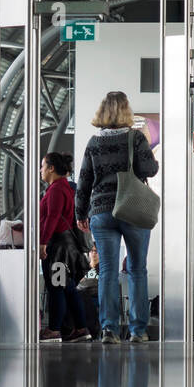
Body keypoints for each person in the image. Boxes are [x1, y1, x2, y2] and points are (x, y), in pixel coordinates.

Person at [75, 91, 159, 344]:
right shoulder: (135, 138)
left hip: (101, 211)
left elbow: (84, 180)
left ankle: (109, 329)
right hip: (132, 208)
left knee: (108, 272)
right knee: (136, 270)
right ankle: (137, 330)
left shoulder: (93, 142)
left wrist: (80, 213)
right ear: (126, 111)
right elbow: (150, 170)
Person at [39, 152, 91, 343]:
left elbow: (53, 216)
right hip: (65, 246)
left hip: (58, 248)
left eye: (43, 166)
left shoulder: (56, 189)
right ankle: (81, 328)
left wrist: (43, 242)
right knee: (66, 287)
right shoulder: (65, 188)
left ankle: (53, 330)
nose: (40, 170)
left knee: (57, 287)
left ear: (51, 168)